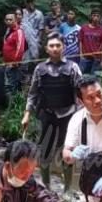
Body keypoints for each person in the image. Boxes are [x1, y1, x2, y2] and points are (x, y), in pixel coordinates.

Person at [22, 33, 82, 192]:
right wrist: (27, 114)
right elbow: (33, 93)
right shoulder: (40, 69)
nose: (55, 48)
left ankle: (68, 189)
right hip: (46, 114)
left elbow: (81, 92)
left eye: (58, 45)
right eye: (52, 46)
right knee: (44, 152)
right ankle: (46, 187)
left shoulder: (73, 67)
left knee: (67, 152)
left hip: (68, 114)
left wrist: (84, 115)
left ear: (63, 47)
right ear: (46, 49)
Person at [2, 12, 26, 94]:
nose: (8, 21)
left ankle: (12, 104)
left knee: (12, 85)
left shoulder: (19, 31)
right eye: (7, 20)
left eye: (10, 19)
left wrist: (15, 61)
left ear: (15, 20)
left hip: (14, 64)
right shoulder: (8, 31)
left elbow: (20, 48)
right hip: (7, 63)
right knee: (9, 84)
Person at [78, 8, 102, 74]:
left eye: (98, 16)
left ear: (100, 18)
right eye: (94, 15)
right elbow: (80, 41)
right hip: (85, 58)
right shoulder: (84, 28)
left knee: (94, 79)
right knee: (81, 78)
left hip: (96, 59)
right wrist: (80, 54)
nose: (96, 18)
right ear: (91, 16)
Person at [21, 0, 44, 64]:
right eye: (28, 1)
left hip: (35, 39)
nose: (30, 3)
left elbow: (41, 28)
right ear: (26, 3)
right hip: (24, 39)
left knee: (35, 59)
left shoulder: (39, 14)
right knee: (24, 59)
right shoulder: (22, 12)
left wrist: (39, 40)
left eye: (32, 1)